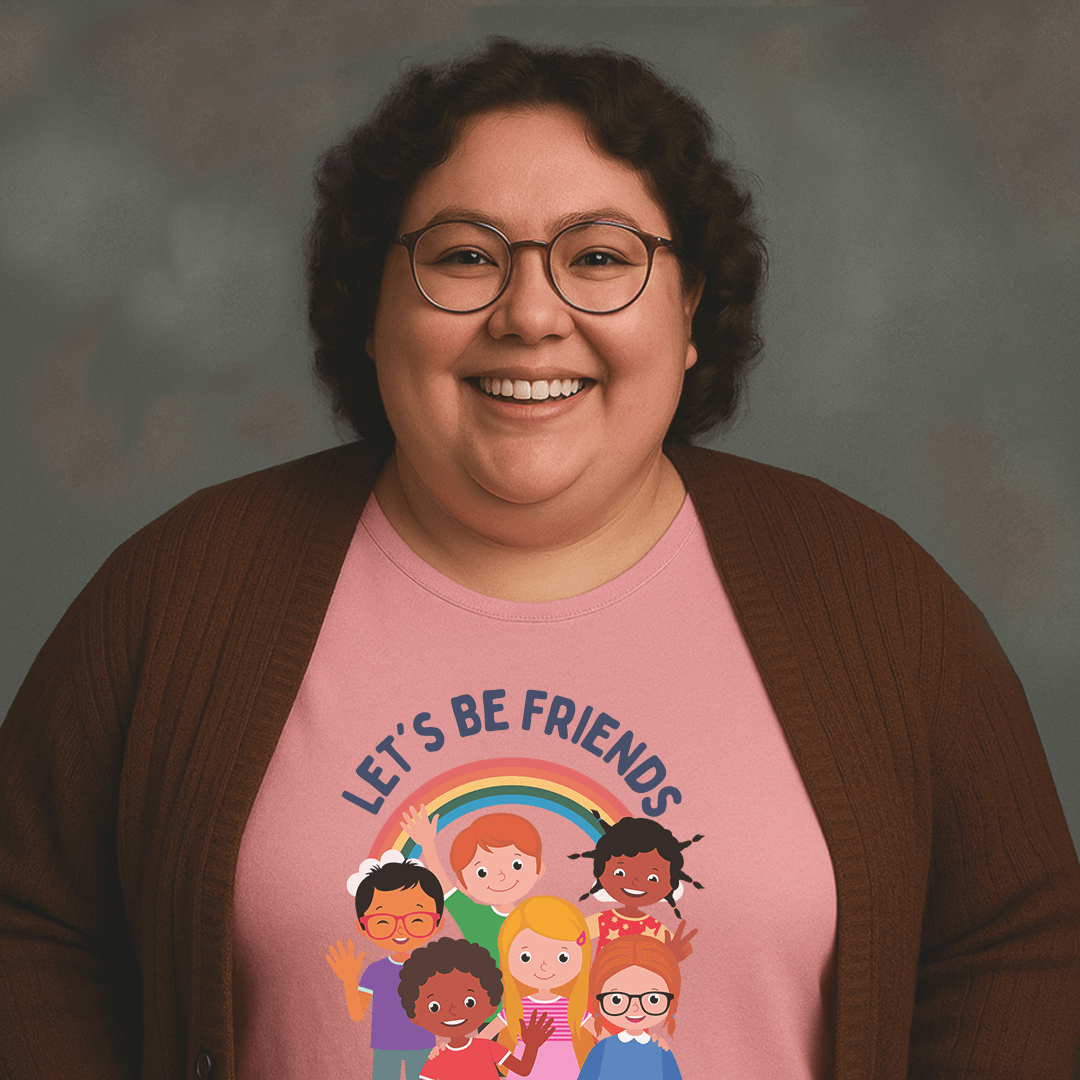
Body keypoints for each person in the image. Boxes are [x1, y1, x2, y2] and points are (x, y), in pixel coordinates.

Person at [1, 34, 1079, 1080]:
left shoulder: (874, 601)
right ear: (373, 311)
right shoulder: (186, 589)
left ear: (690, 306)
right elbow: (26, 919)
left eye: (600, 258)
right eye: (466, 257)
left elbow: (1017, 941)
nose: (529, 314)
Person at [324, 854, 445, 1080]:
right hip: (384, 1048)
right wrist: (349, 979)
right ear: (363, 927)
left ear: (438, 923)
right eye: (383, 922)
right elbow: (358, 1012)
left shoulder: (433, 970)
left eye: (416, 920)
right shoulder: (375, 972)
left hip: (423, 1046)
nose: (400, 930)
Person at [396, 936, 555, 1078]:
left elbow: (523, 1069)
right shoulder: (437, 1058)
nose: (453, 1011)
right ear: (415, 1016)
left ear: (491, 1005)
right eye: (435, 1007)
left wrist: (531, 1046)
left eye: (469, 1002)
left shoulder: (488, 1047)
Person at [568, 814, 702, 957]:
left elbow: (677, 951)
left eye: (652, 878)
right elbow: (573, 940)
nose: (635, 882)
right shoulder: (604, 921)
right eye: (620, 872)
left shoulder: (653, 927)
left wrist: (673, 955)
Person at [577, 936, 684, 1079]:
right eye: (617, 999)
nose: (635, 1007)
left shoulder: (660, 1052)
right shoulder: (602, 1051)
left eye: (652, 999)